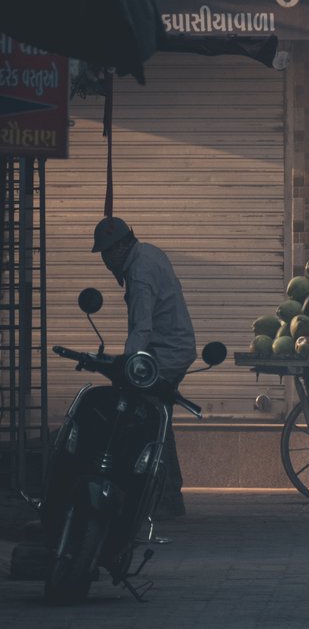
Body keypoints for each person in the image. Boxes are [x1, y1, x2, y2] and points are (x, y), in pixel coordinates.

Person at [91, 216, 197, 518]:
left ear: (124, 245)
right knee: (159, 420)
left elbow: (141, 326)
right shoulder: (150, 252)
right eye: (103, 254)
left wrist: (127, 364)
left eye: (109, 252)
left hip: (165, 354)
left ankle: (163, 497)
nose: (107, 260)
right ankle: (170, 494)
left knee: (149, 420)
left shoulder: (139, 272)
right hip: (169, 349)